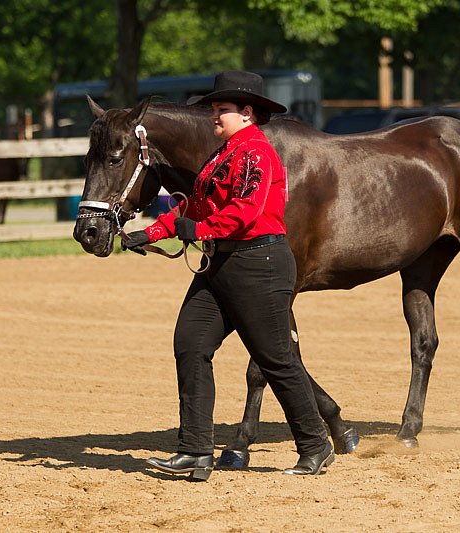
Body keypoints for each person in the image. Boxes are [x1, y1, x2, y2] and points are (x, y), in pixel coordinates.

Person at [121, 70, 334, 481]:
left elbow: (245, 211)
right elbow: (193, 208)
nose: (214, 116)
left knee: (277, 360)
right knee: (190, 343)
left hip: (258, 265)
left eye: (223, 110)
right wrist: (147, 233)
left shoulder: (256, 153)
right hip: (221, 265)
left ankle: (315, 445)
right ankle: (196, 450)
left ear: (248, 114)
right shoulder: (222, 155)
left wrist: (196, 232)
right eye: (214, 109)